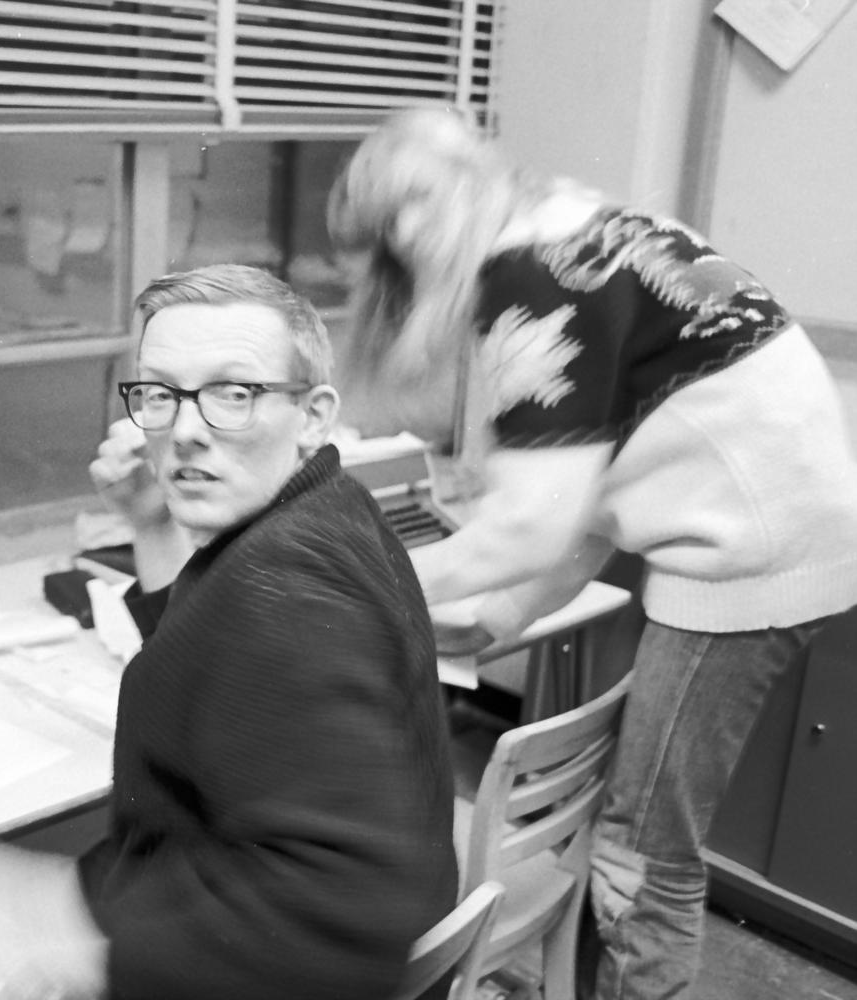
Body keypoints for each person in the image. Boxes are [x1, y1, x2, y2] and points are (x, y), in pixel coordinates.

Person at [0, 263, 457, 1000]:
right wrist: (150, 524)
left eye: (234, 394)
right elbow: (216, 660)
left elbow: (345, 904)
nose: (185, 432)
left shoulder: (285, 595)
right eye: (161, 394)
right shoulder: (330, 508)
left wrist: (47, 926)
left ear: (313, 415)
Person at [325, 106, 857, 1000]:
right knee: (639, 841)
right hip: (778, 530)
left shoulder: (533, 275)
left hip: (750, 557)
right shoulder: (574, 223)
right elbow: (590, 506)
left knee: (639, 861)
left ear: (421, 226)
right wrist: (498, 619)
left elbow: (533, 527)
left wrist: (354, 582)